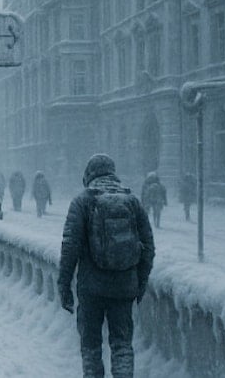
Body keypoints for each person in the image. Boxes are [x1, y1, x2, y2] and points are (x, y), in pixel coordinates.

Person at [58, 154, 155, 378]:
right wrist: (139, 283)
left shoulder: (83, 201)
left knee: (91, 346)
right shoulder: (132, 201)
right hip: (124, 287)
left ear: (89, 174)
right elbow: (148, 246)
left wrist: (64, 285)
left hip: (91, 288)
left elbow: (70, 247)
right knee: (122, 345)